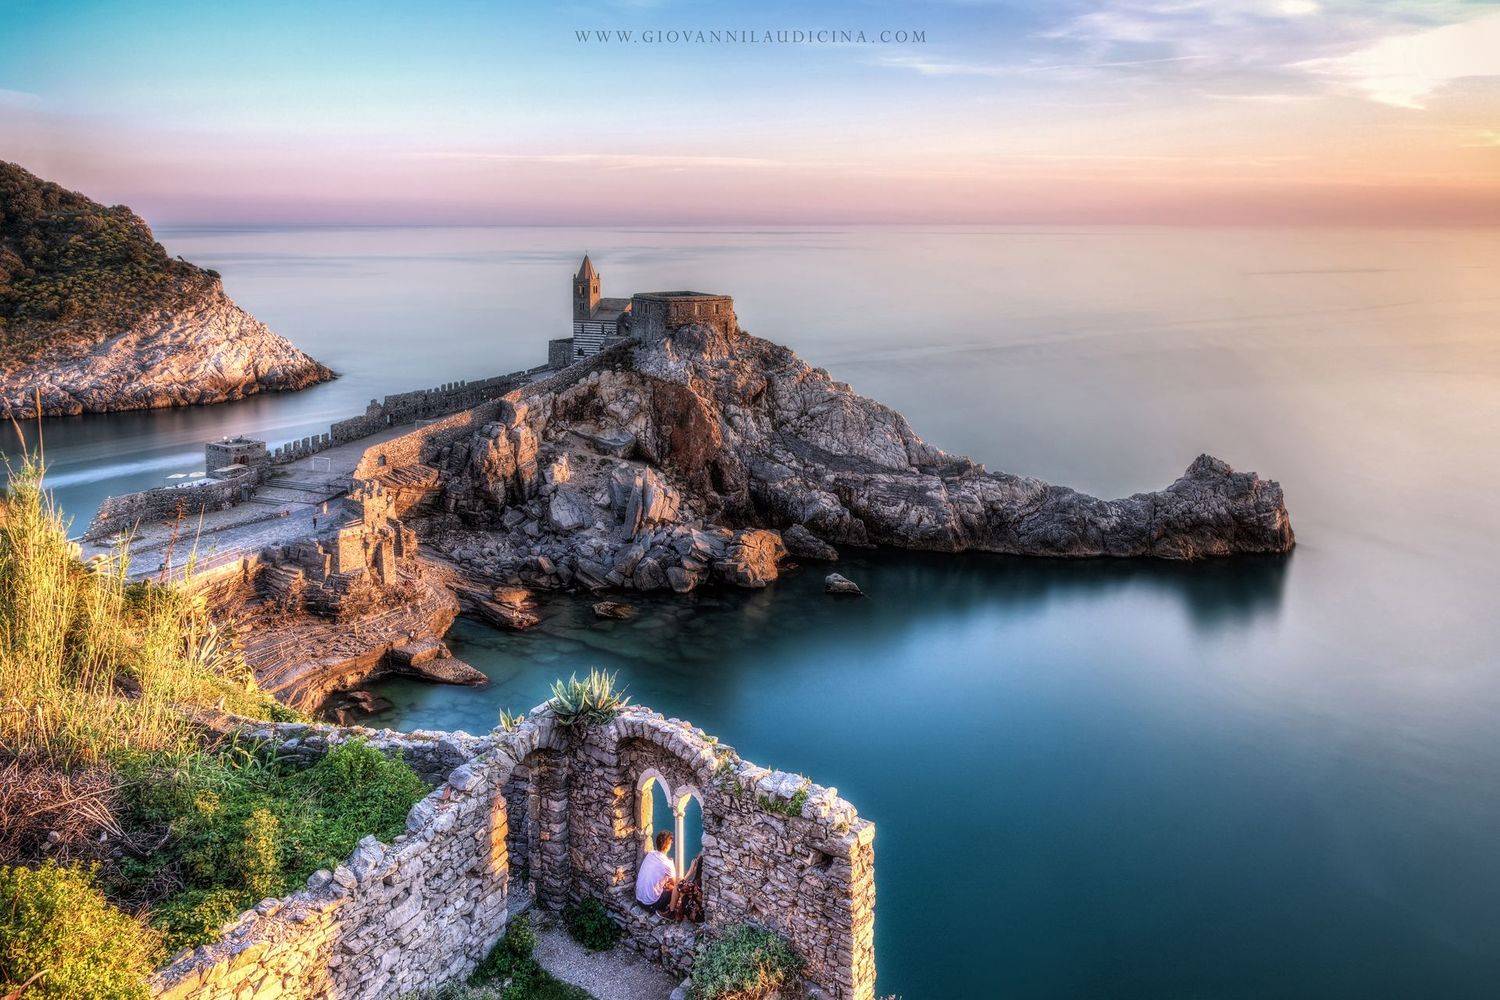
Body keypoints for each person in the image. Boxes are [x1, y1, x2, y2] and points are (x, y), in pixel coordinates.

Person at [635, 830, 676, 912]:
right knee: (673, 889)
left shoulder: (650, 854)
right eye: (670, 843)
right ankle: (667, 911)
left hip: (638, 899)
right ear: (667, 846)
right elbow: (675, 883)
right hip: (650, 905)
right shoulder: (667, 863)